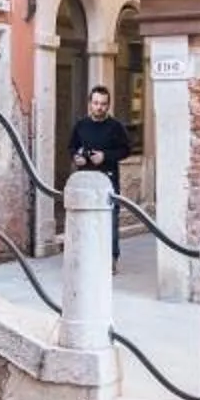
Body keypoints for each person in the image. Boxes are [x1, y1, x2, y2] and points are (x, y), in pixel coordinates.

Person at [67, 85, 134, 265]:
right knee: (84, 220)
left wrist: (105, 156)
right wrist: (76, 158)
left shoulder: (116, 127)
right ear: (90, 103)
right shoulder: (81, 125)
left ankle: (111, 259)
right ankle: (85, 258)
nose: (99, 107)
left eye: (103, 104)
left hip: (108, 178)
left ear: (108, 105)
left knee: (110, 219)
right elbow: (72, 147)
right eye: (96, 103)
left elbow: (126, 149)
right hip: (85, 178)